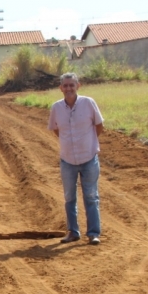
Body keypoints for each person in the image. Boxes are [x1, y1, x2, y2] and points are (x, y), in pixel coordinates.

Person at [48, 72, 105, 245]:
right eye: (65, 85)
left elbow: (99, 126)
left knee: (91, 196)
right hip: (67, 160)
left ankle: (93, 233)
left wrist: (87, 142)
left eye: (71, 85)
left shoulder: (88, 103)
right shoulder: (56, 108)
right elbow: (56, 129)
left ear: (78, 86)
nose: (68, 88)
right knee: (69, 198)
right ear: (60, 88)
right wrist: (69, 142)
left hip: (89, 158)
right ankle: (73, 232)